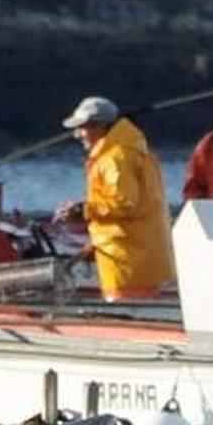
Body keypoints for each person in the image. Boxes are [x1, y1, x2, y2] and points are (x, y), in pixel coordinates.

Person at [54, 96, 175, 301]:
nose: (76, 134)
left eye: (81, 127)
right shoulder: (132, 150)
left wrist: (82, 210)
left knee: (129, 314)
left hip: (128, 260)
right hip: (140, 255)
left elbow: (123, 204)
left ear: (100, 126)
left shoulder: (115, 157)